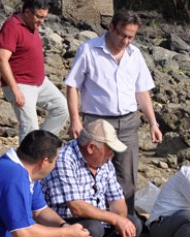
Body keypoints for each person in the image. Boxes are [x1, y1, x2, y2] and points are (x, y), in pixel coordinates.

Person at [63, 9, 162, 212]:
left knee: (127, 176)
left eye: (131, 37)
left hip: (127, 122)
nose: (126, 41)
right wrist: (75, 120)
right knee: (92, 171)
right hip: (97, 122)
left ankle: (126, 224)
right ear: (111, 27)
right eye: (122, 35)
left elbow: (142, 91)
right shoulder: (89, 50)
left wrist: (153, 122)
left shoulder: (135, 55)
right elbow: (73, 85)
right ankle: (93, 221)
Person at [42, 119, 142, 237]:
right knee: (93, 227)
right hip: (62, 225)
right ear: (91, 148)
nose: (112, 155)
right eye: (109, 150)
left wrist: (121, 220)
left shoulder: (103, 161)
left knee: (133, 224)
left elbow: (117, 199)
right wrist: (114, 219)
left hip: (95, 221)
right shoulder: (64, 159)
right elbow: (76, 207)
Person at [0, 0, 69, 143]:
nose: (42, 22)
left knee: (62, 109)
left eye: (44, 18)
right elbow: (1, 59)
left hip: (40, 82)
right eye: (39, 17)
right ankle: (27, 160)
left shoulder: (31, 24)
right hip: (21, 84)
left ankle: (40, 145)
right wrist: (16, 90)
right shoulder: (12, 26)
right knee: (30, 128)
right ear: (27, 12)